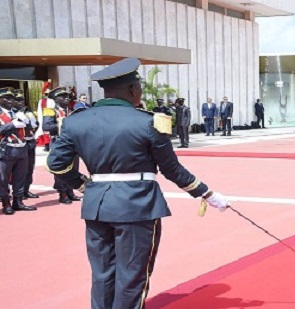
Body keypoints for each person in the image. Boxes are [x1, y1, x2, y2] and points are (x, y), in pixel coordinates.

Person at [46, 58, 230, 308]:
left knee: (102, 275)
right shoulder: (149, 121)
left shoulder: (76, 121)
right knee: (132, 276)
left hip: (97, 205)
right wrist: (206, 193)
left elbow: (56, 164)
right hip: (137, 205)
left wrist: (83, 186)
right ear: (133, 90)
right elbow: (171, 169)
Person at [42, 87, 82, 204]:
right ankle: (62, 192)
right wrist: (62, 123)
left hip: (72, 142)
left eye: (67, 96)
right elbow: (46, 126)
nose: (66, 98)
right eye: (62, 96)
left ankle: (70, 191)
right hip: (59, 142)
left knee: (73, 167)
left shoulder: (71, 111)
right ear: (55, 99)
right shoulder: (50, 111)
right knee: (61, 167)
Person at [0, 88, 37, 215]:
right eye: (6, 98)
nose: (10, 100)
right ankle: (6, 203)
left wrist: (30, 122)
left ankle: (18, 201)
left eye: (12, 98)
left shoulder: (18, 113)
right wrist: (12, 125)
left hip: (21, 148)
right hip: (6, 150)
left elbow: (30, 129)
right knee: (3, 178)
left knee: (20, 177)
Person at [14, 90, 40, 199]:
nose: (21, 102)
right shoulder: (12, 114)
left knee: (30, 168)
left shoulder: (28, 113)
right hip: (19, 143)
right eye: (18, 100)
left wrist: (30, 120)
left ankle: (26, 190)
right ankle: (17, 193)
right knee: (19, 171)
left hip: (30, 142)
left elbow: (35, 125)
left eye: (22, 100)